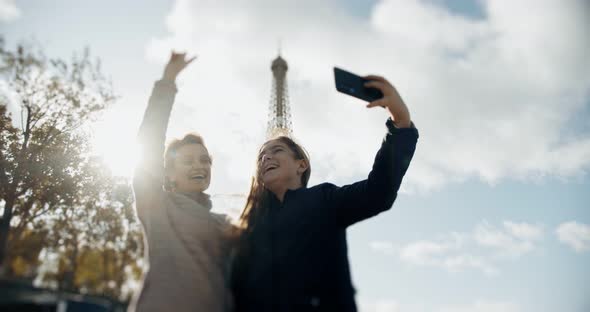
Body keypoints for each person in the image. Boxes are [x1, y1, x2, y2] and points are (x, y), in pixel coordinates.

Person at [231, 75, 419, 312]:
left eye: (276, 150)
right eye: (260, 157)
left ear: (301, 165)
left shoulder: (325, 200)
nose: (265, 158)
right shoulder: (249, 226)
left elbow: (378, 191)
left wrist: (400, 123)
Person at [129, 52, 234, 312]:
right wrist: (168, 81)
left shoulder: (224, 223)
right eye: (188, 161)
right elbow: (150, 140)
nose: (199, 166)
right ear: (169, 174)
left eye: (204, 160)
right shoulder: (157, 206)